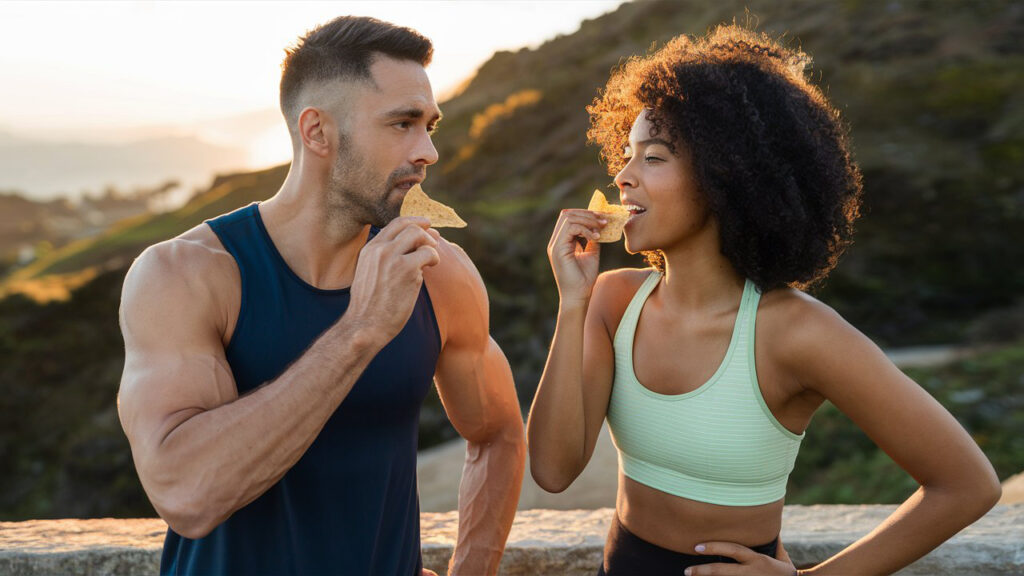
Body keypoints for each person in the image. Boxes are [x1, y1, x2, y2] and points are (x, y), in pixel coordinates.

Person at [527, 24, 1000, 576]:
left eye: (652, 158)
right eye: (627, 155)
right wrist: (572, 303)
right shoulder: (612, 300)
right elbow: (553, 470)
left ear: (726, 174)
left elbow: (967, 485)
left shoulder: (797, 332)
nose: (622, 175)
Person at [117, 16, 525, 576]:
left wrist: (471, 569)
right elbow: (188, 495)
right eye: (403, 123)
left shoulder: (437, 273)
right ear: (317, 132)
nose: (428, 150)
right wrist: (361, 330)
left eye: (430, 125)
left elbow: (499, 433)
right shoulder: (184, 275)